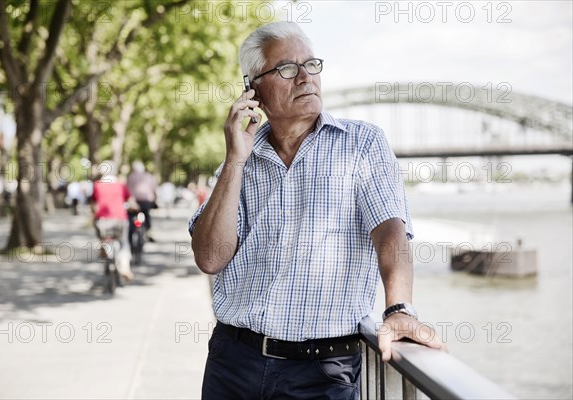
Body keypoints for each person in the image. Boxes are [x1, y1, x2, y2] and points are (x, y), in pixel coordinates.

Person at [188, 22, 445, 399]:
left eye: (311, 65)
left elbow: (390, 231)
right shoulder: (239, 162)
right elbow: (210, 258)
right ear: (253, 89)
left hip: (322, 373)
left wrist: (399, 309)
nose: (305, 77)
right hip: (234, 363)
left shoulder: (361, 143)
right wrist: (233, 161)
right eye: (287, 69)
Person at [90, 160, 133, 281]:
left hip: (103, 221)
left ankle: (103, 244)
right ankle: (125, 267)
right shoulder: (121, 185)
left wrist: (94, 213)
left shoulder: (97, 185)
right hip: (120, 220)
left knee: (98, 227)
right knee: (124, 243)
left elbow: (93, 203)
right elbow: (130, 200)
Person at [126, 160, 158, 241]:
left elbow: (127, 190)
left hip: (134, 202)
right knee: (147, 216)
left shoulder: (131, 176)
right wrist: (154, 201)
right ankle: (148, 232)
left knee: (131, 218)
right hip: (146, 201)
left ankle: (130, 235)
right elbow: (154, 190)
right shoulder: (149, 176)